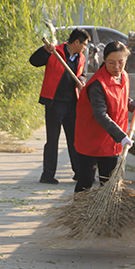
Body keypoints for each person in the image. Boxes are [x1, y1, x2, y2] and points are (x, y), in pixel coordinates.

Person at [73, 40, 135, 193]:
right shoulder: (98, 84)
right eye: (111, 62)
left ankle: (104, 213)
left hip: (110, 140)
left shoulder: (123, 76)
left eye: (121, 62)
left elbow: (120, 98)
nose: (116, 67)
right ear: (104, 60)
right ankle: (78, 211)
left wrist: (134, 104)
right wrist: (121, 136)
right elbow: (100, 114)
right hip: (91, 139)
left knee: (108, 181)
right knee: (86, 180)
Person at [29, 27, 90, 184]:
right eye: (84, 44)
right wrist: (44, 50)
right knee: (52, 139)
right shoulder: (53, 52)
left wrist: (82, 81)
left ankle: (79, 172)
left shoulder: (81, 57)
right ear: (76, 42)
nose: (85, 47)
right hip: (54, 103)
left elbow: (82, 74)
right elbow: (33, 61)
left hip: (72, 103)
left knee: (75, 139)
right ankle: (47, 175)